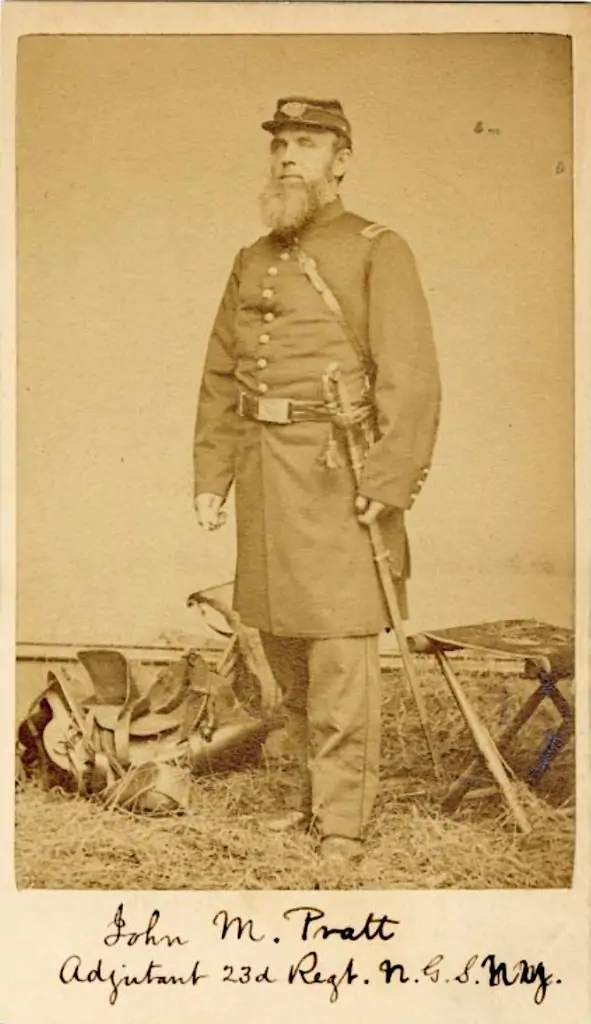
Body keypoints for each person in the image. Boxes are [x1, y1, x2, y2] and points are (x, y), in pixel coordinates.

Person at [193, 97, 441, 866]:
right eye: (279, 145)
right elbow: (221, 373)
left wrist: (389, 479)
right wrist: (212, 475)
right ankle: (309, 802)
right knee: (284, 650)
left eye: (306, 143)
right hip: (266, 479)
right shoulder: (252, 256)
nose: (288, 157)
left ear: (341, 159)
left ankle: (341, 824)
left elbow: (411, 376)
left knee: (338, 655)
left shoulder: (377, 248)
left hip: (339, 478)